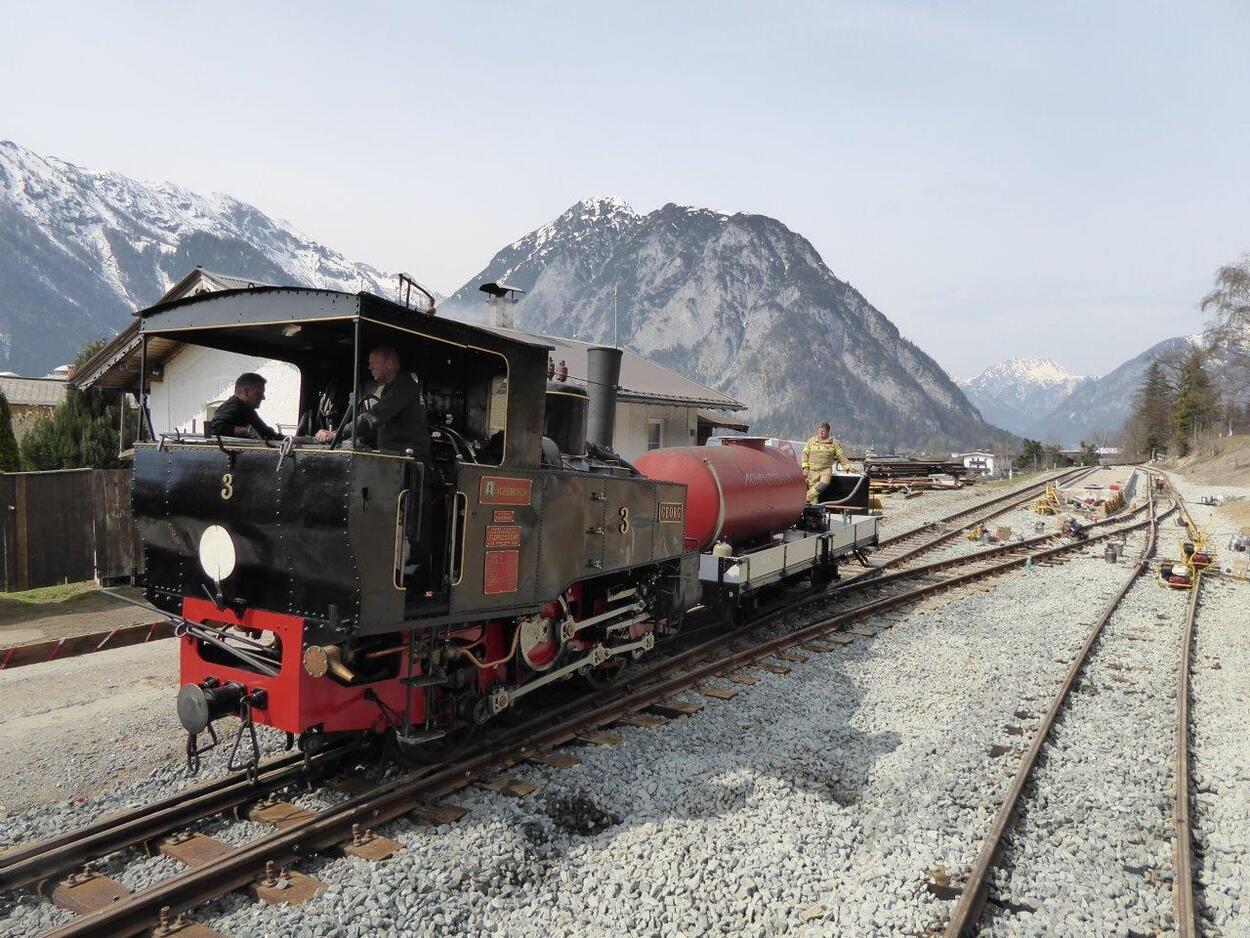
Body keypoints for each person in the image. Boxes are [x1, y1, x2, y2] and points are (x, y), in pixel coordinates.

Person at [315, 346, 429, 457]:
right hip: (395, 456)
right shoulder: (396, 386)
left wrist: (337, 433)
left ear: (389, 364)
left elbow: (372, 417)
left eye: (373, 363)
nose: (370, 367)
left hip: (407, 460)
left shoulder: (403, 386)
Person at [208, 373, 282, 440]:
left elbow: (265, 433)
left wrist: (288, 439)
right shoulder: (235, 406)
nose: (263, 397)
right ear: (246, 392)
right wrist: (244, 430)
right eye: (259, 393)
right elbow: (213, 428)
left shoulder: (247, 410)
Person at [801, 421, 847, 503]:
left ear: (828, 432)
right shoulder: (811, 441)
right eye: (819, 430)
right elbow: (804, 454)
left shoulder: (834, 442)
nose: (821, 432)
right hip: (812, 471)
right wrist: (805, 468)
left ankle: (804, 498)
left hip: (825, 470)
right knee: (814, 494)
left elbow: (841, 456)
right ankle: (812, 512)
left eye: (823, 430)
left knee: (823, 485)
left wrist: (848, 467)